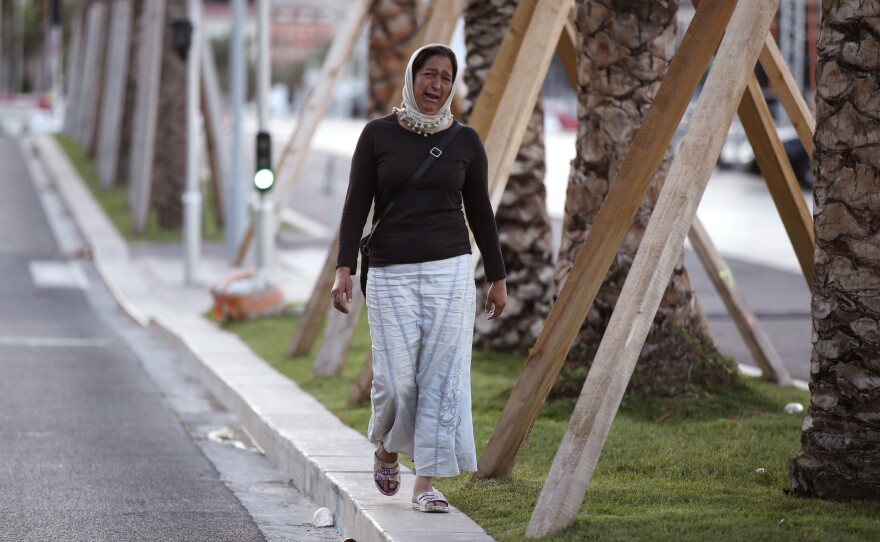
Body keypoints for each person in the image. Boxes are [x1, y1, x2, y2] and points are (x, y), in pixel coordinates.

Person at [330, 43, 507, 513]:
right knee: (396, 381)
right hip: (389, 272)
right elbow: (355, 206)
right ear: (412, 78)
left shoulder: (465, 141)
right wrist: (343, 268)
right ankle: (388, 447)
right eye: (429, 74)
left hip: (450, 269)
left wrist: (497, 274)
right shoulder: (376, 136)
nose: (437, 85)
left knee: (441, 379)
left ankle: (424, 483)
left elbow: (481, 211)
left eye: (447, 77)